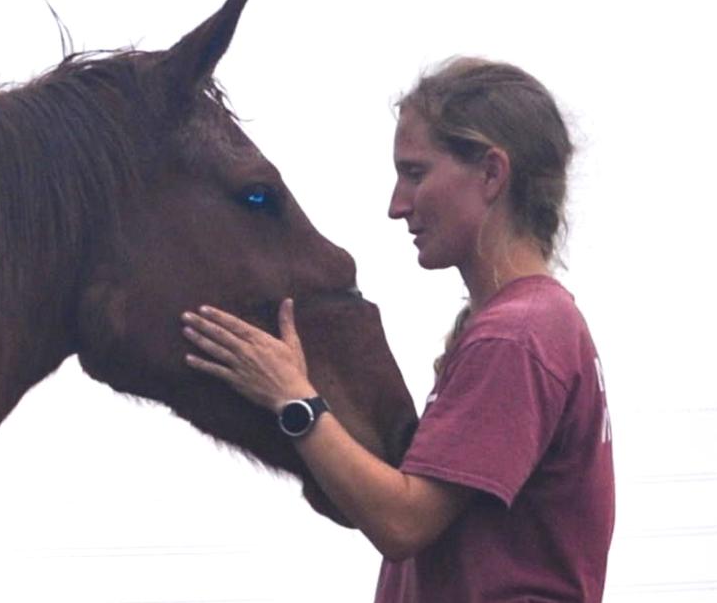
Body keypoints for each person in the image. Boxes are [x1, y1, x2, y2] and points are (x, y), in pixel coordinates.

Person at [180, 57, 614, 602]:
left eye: (416, 173)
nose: (396, 205)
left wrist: (293, 399)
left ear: (491, 173)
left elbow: (403, 523)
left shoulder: (517, 336)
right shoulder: (536, 325)